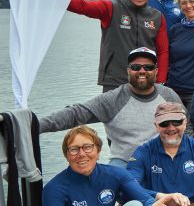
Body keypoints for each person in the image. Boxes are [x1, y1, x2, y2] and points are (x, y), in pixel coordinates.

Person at [19, 126, 178, 206]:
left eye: (87, 147)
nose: (81, 154)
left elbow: (142, 197)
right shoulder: (54, 189)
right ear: (67, 155)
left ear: (98, 151)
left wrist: (151, 205)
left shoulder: (115, 174)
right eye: (74, 149)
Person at [39, 47, 182, 167]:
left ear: (156, 71)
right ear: (128, 70)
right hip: (125, 162)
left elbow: (185, 123)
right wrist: (35, 125)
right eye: (136, 67)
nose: (142, 71)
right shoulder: (113, 99)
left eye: (148, 67)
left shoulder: (168, 95)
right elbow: (75, 114)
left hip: (162, 161)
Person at [66, 0, 169, 92]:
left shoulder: (157, 17)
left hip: (145, 81)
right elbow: (83, 6)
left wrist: (159, 81)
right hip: (114, 81)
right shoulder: (111, 8)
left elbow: (163, 51)